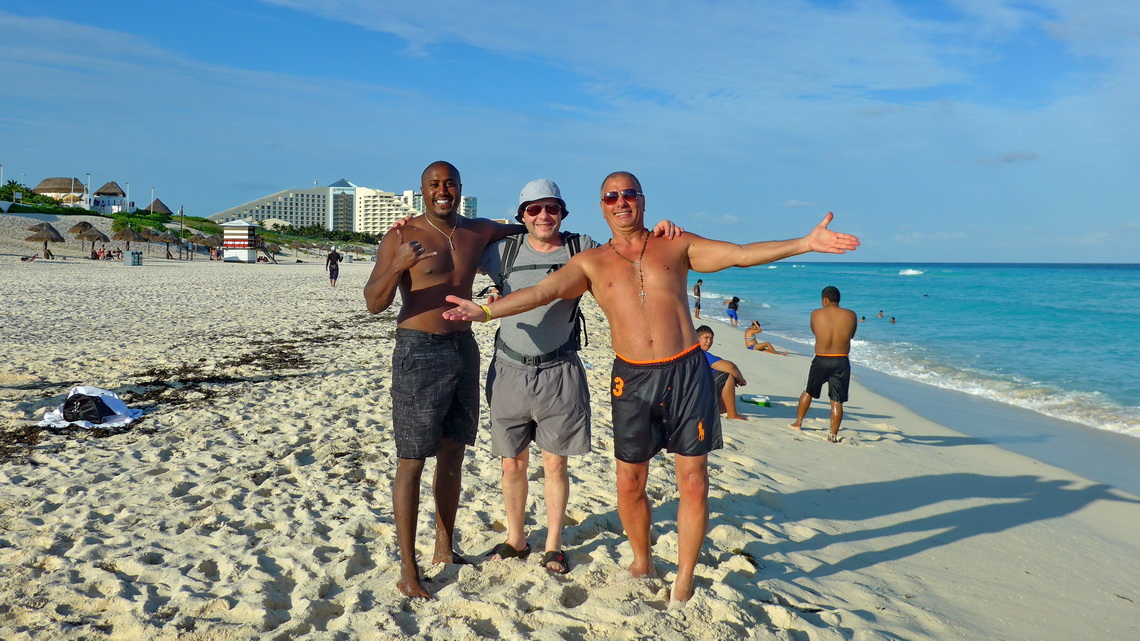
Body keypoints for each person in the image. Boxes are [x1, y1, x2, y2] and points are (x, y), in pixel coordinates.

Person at [442, 170, 859, 602]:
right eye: (610, 197)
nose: (620, 202)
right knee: (629, 483)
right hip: (632, 376)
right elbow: (543, 291)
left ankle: (683, 576)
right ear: (601, 206)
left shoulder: (675, 243)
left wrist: (804, 244)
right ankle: (642, 561)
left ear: (642, 200)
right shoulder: (590, 261)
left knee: (694, 481)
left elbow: (739, 254)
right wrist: (487, 313)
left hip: (686, 372)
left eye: (628, 194)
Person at [479, 178, 683, 575]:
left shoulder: (581, 248)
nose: (543, 216)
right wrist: (489, 287)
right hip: (508, 368)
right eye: (533, 209)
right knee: (511, 465)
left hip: (560, 369)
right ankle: (516, 539)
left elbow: (630, 248)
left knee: (555, 465)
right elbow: (457, 249)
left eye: (551, 208)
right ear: (522, 215)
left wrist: (663, 231)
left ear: (564, 212)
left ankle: (553, 545)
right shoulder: (500, 253)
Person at [364, 160, 525, 599]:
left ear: (459, 188)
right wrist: (397, 264)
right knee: (412, 460)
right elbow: (373, 302)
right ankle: (408, 568)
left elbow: (529, 230)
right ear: (422, 190)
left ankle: (444, 549)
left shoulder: (477, 231)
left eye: (449, 183)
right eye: (434, 184)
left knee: (454, 452)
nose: (443, 190)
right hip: (419, 350)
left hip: (464, 349)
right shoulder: (401, 234)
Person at [789, 286, 858, 443]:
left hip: (821, 358)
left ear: (824, 300)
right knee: (837, 399)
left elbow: (816, 331)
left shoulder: (816, 313)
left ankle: (798, 423)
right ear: (838, 299)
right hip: (841, 359)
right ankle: (832, 434)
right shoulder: (851, 315)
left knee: (808, 391)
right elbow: (851, 335)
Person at [696, 325, 746, 420]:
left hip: (697, 390)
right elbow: (730, 367)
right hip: (698, 394)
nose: (709, 341)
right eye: (706, 338)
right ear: (698, 338)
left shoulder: (696, 352)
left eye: (711, 338)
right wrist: (741, 380)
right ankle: (732, 414)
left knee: (724, 375)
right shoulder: (701, 353)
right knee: (727, 376)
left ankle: (721, 407)